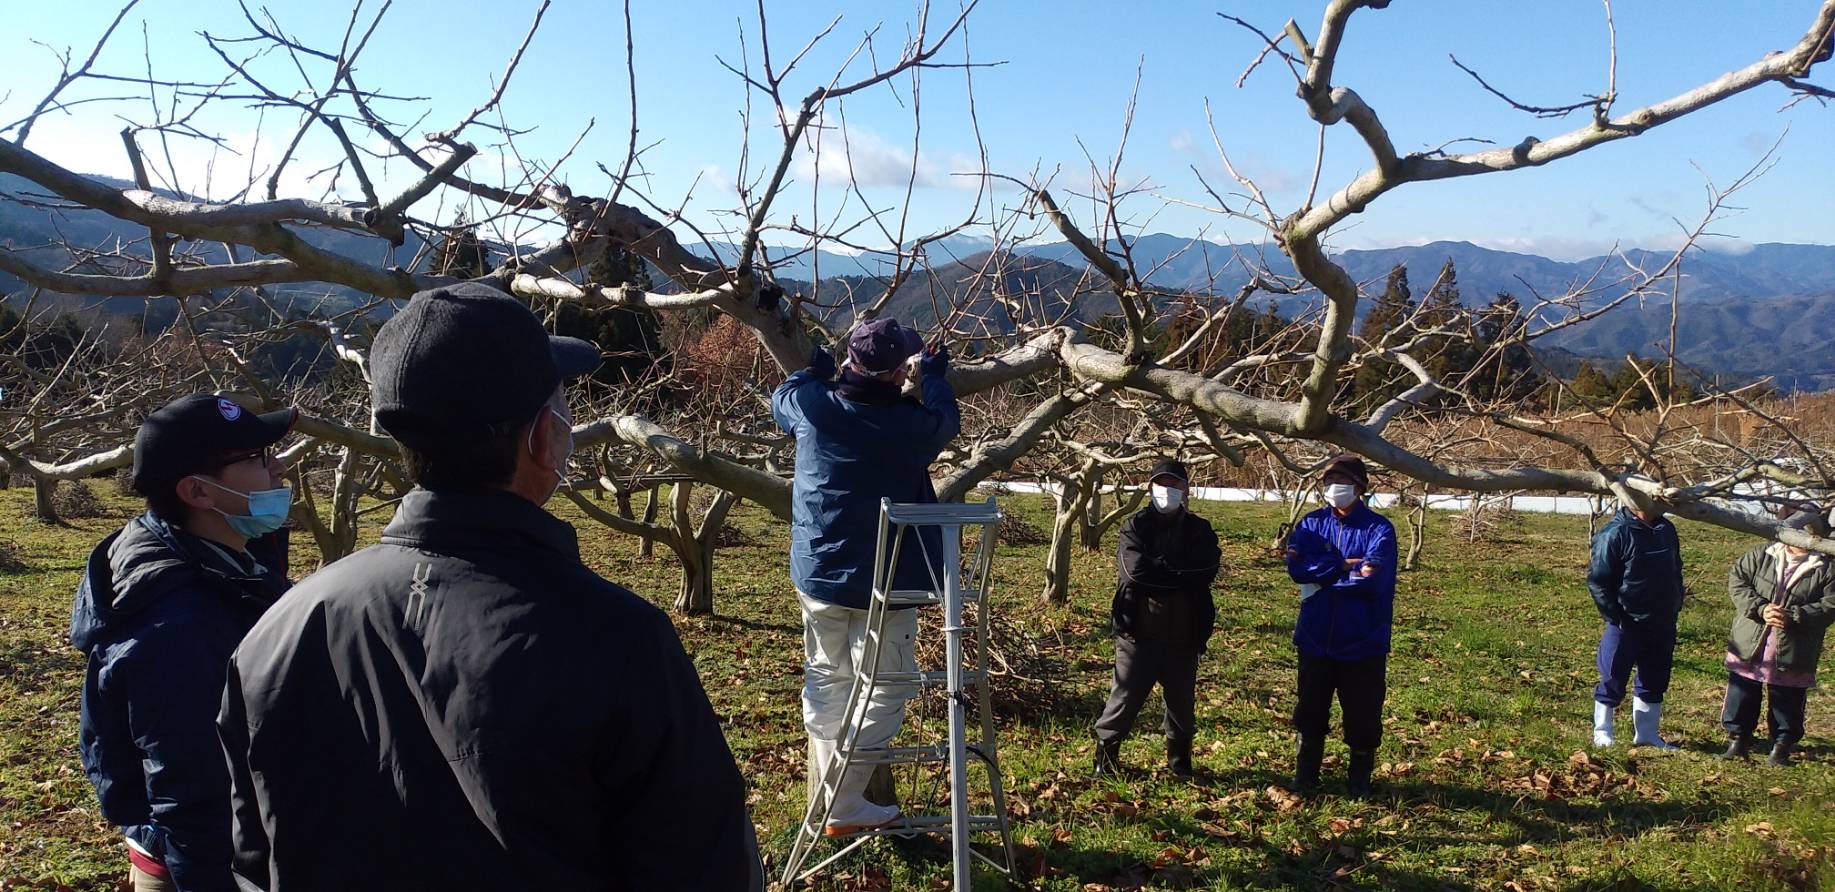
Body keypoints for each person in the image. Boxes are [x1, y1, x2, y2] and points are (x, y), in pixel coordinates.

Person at [218, 283, 761, 890]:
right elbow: (706, 865)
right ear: (541, 436)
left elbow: (250, 857)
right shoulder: (617, 640)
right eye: (563, 405)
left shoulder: (280, 627)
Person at [69, 393, 296, 892]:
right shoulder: (179, 626)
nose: (279, 468)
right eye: (257, 458)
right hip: (209, 865)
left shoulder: (219, 556)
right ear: (198, 492)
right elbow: (193, 792)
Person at [771, 317, 958, 835]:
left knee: (826, 678)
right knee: (889, 685)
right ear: (899, 372)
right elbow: (946, 421)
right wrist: (934, 379)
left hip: (820, 573)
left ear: (850, 361)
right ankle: (843, 800)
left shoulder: (814, 407)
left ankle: (833, 798)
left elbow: (781, 397)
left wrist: (812, 371)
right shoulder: (909, 426)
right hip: (888, 579)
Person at [1092, 459, 1221, 780]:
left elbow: (1206, 568)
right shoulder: (1135, 526)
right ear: (1150, 488)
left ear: (1186, 489)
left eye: (1174, 484)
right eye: (1161, 484)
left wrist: (1160, 569)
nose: (1167, 490)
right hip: (1138, 633)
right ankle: (1105, 759)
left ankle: (1180, 761)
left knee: (1182, 703)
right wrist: (1179, 574)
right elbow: (1134, 572)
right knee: (1124, 698)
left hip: (1184, 635)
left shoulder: (1199, 529)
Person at [1284, 454, 1397, 797]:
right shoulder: (1311, 524)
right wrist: (1342, 565)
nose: (1335, 488)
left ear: (1360, 487)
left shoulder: (1379, 529)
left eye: (1342, 481)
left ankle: (1359, 779)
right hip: (1315, 635)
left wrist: (1323, 573)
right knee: (1310, 709)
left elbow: (1370, 578)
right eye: (1329, 481)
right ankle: (1306, 775)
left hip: (1362, 638)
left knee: (1363, 714)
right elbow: (1296, 569)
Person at [1720, 503, 1835, 766]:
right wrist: (1760, 608)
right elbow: (1738, 581)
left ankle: (1782, 746)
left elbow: (1830, 604)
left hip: (1795, 646)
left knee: (1788, 698)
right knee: (1742, 692)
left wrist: (1794, 615)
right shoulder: (1761, 554)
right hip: (1751, 640)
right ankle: (1738, 740)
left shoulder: (1827, 566)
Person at [1586, 496, 1686, 750]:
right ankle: (1602, 731)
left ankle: (1647, 734)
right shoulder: (1615, 533)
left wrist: (1676, 602)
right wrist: (1615, 616)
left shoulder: (1666, 529)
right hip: (1626, 621)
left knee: (1655, 677)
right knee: (1613, 674)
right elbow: (1598, 580)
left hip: (1662, 620)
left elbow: (1676, 569)